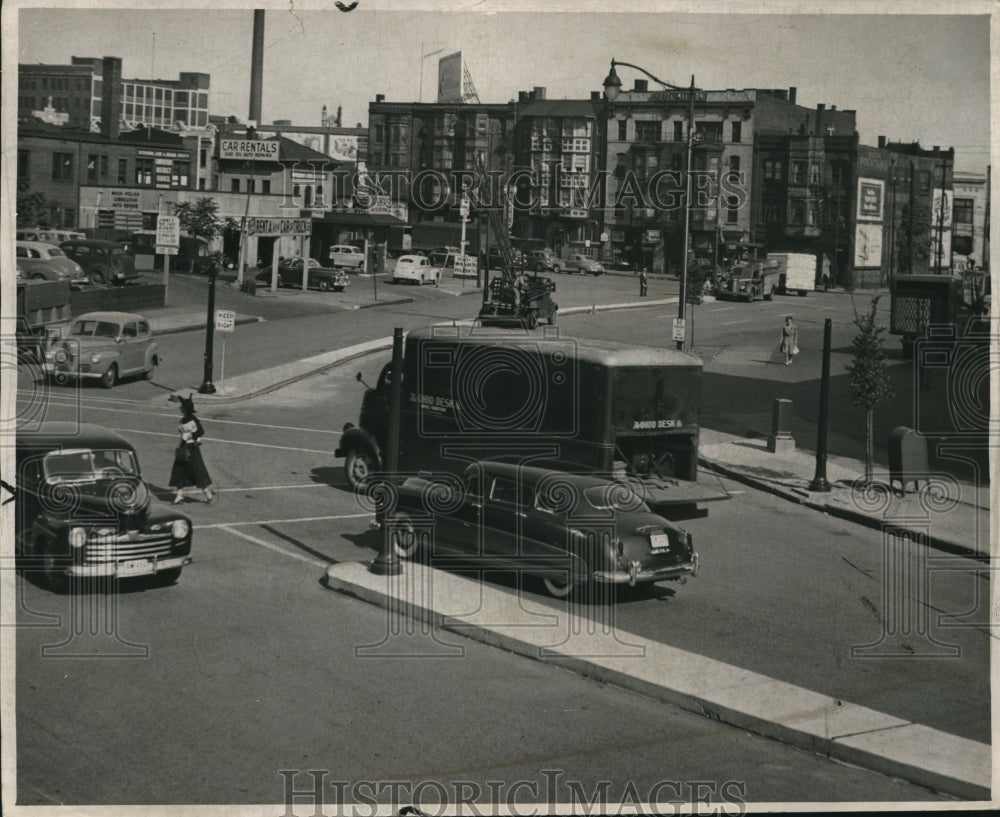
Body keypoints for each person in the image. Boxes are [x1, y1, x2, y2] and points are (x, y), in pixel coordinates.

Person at [169, 393, 217, 504]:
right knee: (179, 470)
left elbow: (200, 431)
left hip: (191, 448)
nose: (180, 407)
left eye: (182, 406)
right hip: (183, 446)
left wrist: (191, 436)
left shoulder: (193, 419)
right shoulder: (185, 418)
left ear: (185, 409)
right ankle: (179, 495)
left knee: (197, 471)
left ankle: (207, 493)